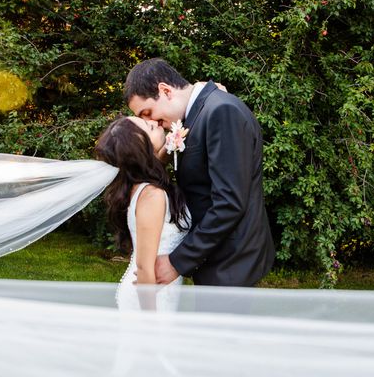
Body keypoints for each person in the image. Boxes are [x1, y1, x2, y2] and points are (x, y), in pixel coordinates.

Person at [124, 58, 275, 287]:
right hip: (216, 257)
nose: (150, 122)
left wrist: (178, 261)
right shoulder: (198, 114)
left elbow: (229, 202)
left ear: (165, 90)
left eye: (147, 112)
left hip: (231, 262)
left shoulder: (221, 111)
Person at [95, 116, 191, 310]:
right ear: (141, 148)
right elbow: (145, 268)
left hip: (162, 291)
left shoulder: (142, 184)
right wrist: (149, 322)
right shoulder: (152, 196)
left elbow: (156, 162)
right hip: (148, 299)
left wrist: (171, 142)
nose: (155, 122)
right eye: (149, 126)